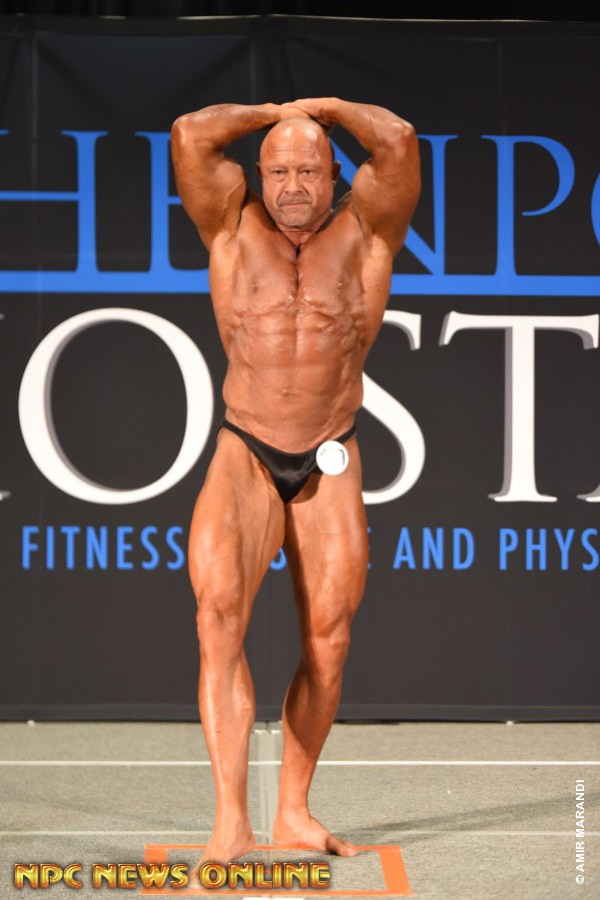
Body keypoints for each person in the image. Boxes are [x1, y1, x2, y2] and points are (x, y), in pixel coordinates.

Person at [170, 97, 420, 866]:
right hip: (245, 448)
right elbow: (189, 135)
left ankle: (293, 812)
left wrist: (330, 109)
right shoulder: (229, 223)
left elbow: (399, 140)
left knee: (329, 642)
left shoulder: (369, 230)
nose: (292, 186)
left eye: (308, 170)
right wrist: (274, 113)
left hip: (329, 450)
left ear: (333, 173)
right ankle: (230, 823)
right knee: (218, 618)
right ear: (259, 173)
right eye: (278, 171)